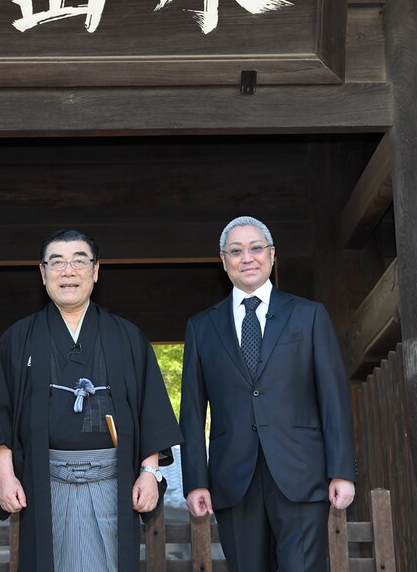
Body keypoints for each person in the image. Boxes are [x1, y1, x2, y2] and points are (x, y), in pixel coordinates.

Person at [0, 229, 181, 572]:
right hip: (44, 482)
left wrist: (149, 472)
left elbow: (150, 408)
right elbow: (1, 412)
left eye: (79, 261)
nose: (68, 271)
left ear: (95, 270)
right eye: (57, 262)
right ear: (43, 272)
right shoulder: (17, 339)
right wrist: (5, 475)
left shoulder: (127, 337)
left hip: (113, 481)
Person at [181, 215, 356, 571]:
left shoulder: (309, 315)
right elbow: (192, 411)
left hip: (302, 474)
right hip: (233, 479)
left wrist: (341, 471)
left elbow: (333, 399)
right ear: (223, 261)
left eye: (256, 248)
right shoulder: (201, 327)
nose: (247, 258)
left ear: (272, 255)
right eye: (236, 251)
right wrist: (195, 481)